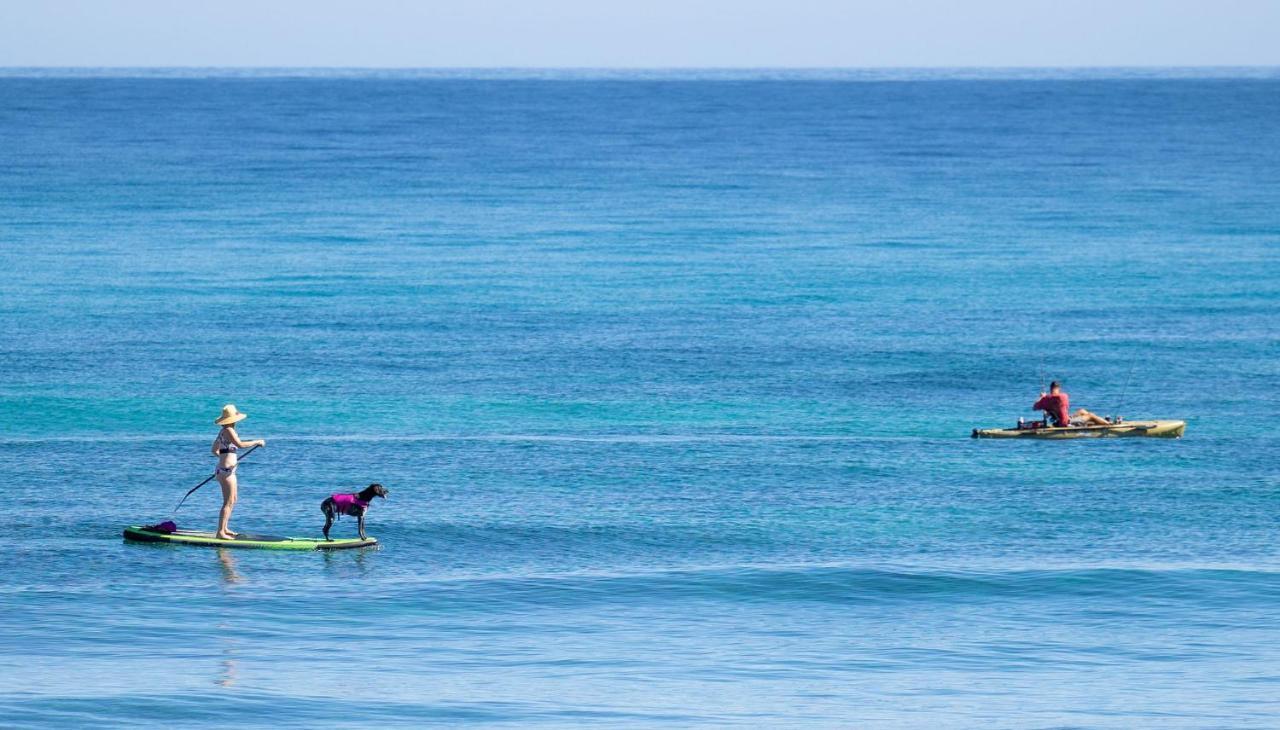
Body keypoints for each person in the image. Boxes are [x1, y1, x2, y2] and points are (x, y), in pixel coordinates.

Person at [211, 404, 266, 540]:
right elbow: (240, 445)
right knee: (228, 502)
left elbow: (214, 450)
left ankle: (225, 528)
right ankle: (220, 532)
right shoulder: (229, 430)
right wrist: (256, 442)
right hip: (226, 472)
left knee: (233, 500)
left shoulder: (223, 431)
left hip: (226, 470)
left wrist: (226, 458)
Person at [1033, 381, 1110, 428]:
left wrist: (1041, 397)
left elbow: (1034, 407)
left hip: (1060, 420)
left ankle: (1098, 421)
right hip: (1065, 423)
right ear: (1059, 388)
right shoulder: (1063, 396)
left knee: (1082, 411)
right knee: (1091, 415)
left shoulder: (1045, 399)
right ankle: (1109, 425)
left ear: (1050, 388)